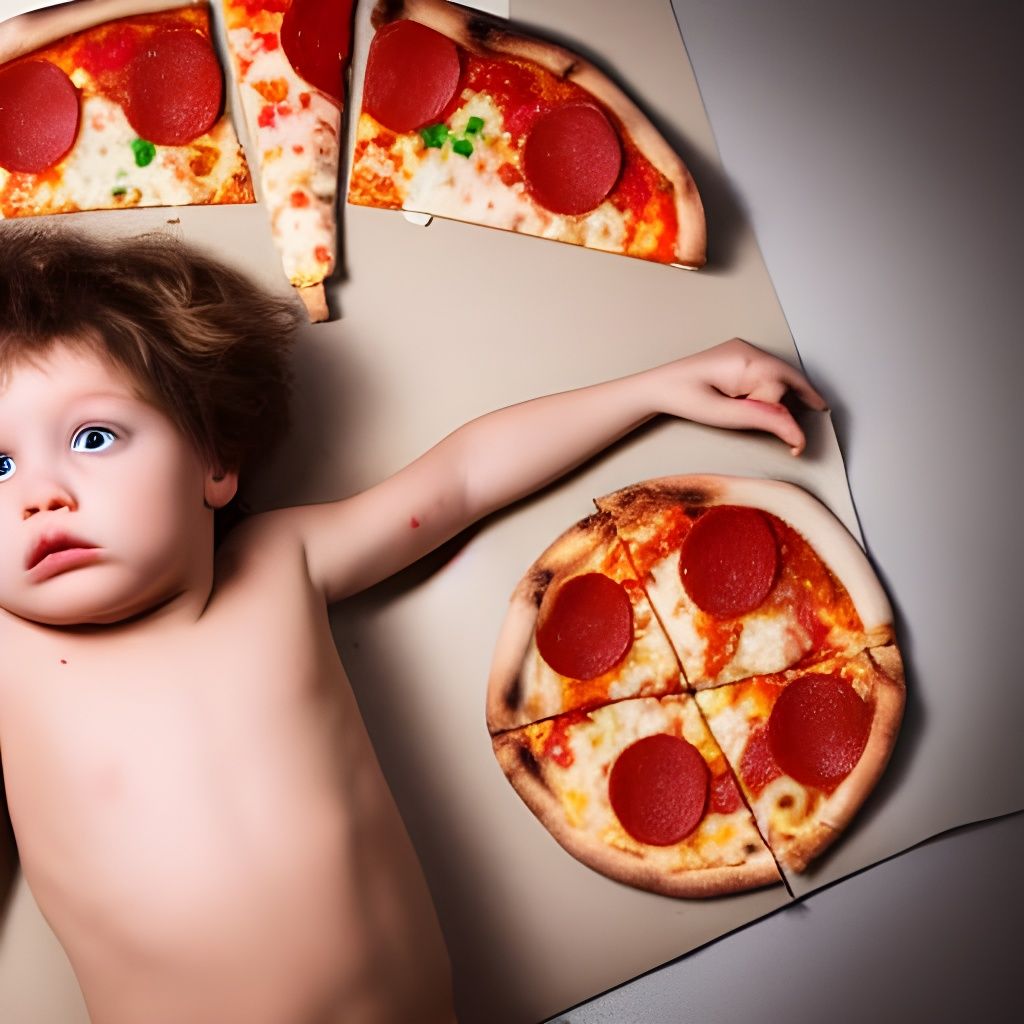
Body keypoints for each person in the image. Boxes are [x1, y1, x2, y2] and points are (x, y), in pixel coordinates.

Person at [0, 226, 825, 1024]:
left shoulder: (277, 561)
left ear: (214, 463)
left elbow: (459, 480)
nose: (41, 495)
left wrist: (649, 390)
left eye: (93, 437)